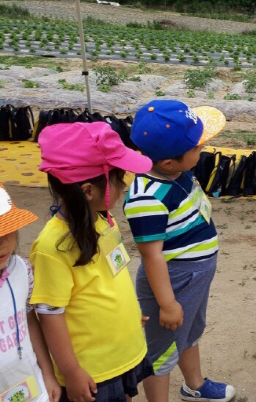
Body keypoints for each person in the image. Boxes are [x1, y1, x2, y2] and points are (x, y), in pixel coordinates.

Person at [30, 122, 154, 402]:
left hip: (122, 350)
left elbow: (111, 275)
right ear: (88, 190)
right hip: (93, 369)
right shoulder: (52, 247)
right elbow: (50, 314)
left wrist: (128, 315)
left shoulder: (101, 219)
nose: (123, 185)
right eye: (118, 177)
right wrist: (71, 372)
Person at [123, 100, 235, 402]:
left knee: (190, 331)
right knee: (162, 351)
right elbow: (152, 256)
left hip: (194, 277)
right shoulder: (146, 198)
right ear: (168, 162)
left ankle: (194, 385)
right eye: (197, 148)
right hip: (172, 281)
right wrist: (168, 303)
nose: (203, 151)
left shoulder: (178, 173)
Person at [0, 183, 61, 402]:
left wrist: (47, 373)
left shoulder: (22, 270)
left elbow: (29, 320)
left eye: (9, 231)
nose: (3, 243)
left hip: (31, 385)